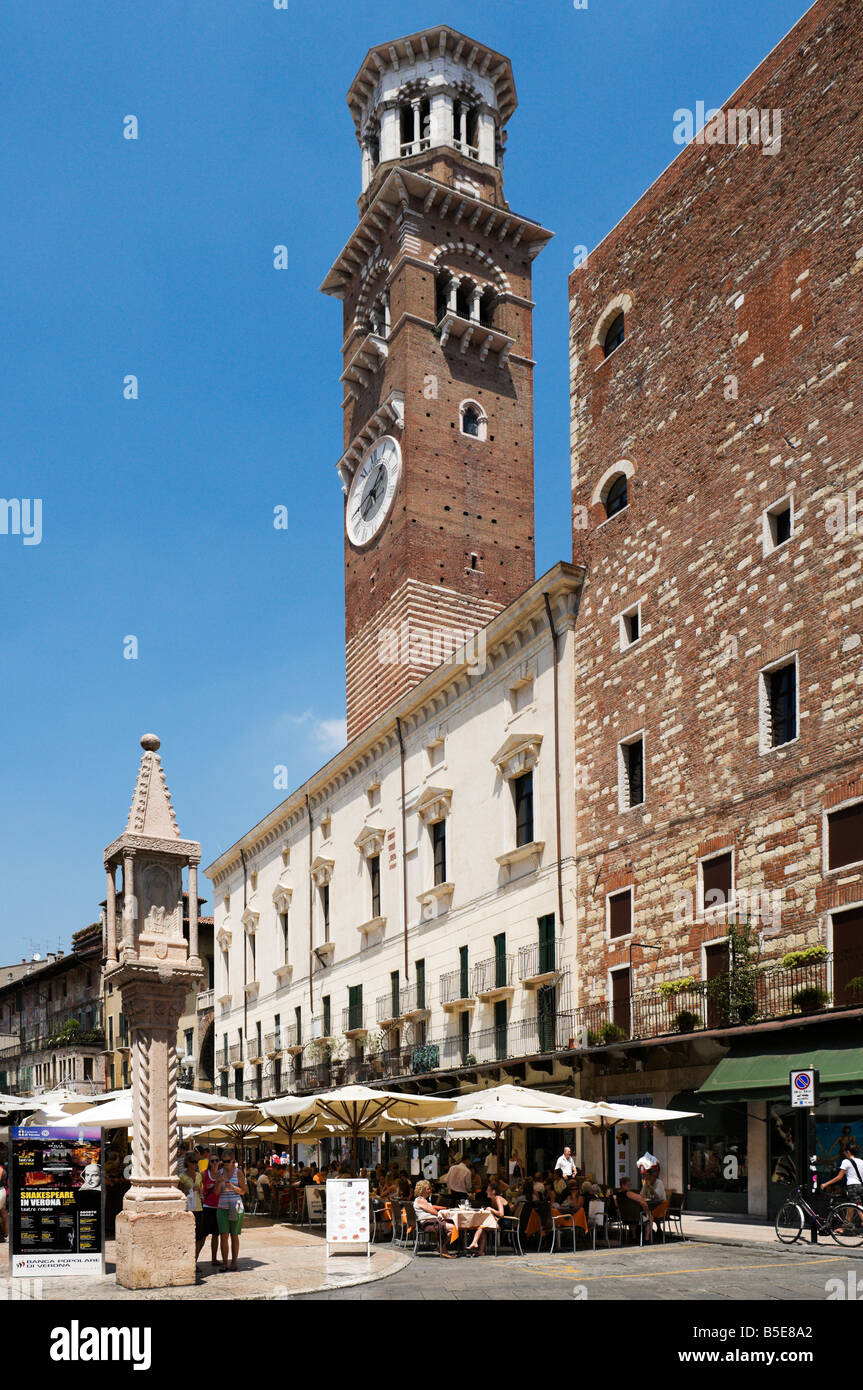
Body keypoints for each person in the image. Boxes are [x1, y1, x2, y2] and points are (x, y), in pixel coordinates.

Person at [217, 1147, 247, 1272]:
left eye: (228, 1161)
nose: (226, 1164)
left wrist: (233, 1187)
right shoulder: (220, 1173)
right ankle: (225, 1263)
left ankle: (234, 1262)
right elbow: (216, 1192)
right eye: (223, 1161)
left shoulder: (238, 1172)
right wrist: (219, 1182)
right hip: (222, 1207)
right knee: (223, 1236)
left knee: (234, 1235)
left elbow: (244, 1191)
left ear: (233, 1160)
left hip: (236, 1206)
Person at [179, 1152, 206, 1261]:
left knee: (201, 1237)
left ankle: (195, 1260)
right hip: (188, 1209)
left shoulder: (199, 1175)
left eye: (196, 1162)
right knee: (190, 1238)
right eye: (193, 1162)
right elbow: (179, 1193)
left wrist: (200, 1191)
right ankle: (191, 1261)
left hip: (199, 1208)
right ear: (188, 1162)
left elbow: (201, 1192)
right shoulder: (182, 1177)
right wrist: (188, 1190)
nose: (195, 1164)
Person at [201, 1152, 224, 1265]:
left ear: (219, 1162)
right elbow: (195, 1182)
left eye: (216, 1160)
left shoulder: (222, 1174)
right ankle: (194, 1261)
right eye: (212, 1161)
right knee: (203, 1236)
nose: (215, 1163)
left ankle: (214, 1259)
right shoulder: (205, 1174)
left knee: (216, 1235)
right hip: (208, 1207)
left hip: (219, 1207)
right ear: (209, 1163)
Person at [616, 1176, 652, 1243]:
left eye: (630, 1185)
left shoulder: (618, 1193)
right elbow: (639, 1197)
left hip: (625, 1215)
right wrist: (644, 1204)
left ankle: (634, 1236)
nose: (629, 1186)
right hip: (635, 1216)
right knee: (647, 1216)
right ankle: (647, 1238)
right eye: (628, 1185)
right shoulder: (627, 1193)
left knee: (635, 1213)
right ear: (622, 1185)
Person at [0, 1147, 8, 1244]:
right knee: (3, 1213)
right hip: (2, 1191)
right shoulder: (2, 1167)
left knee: (3, 1213)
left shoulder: (0, 1168)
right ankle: (5, 1235)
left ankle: (5, 1235)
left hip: (0, 1191)